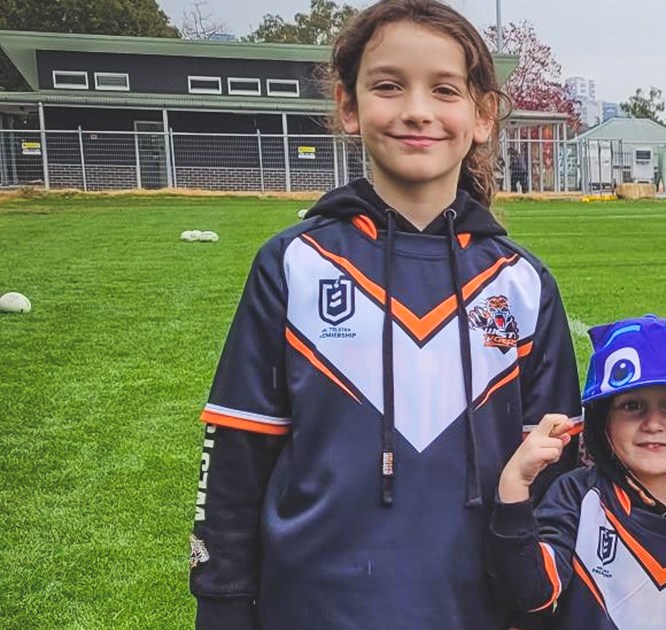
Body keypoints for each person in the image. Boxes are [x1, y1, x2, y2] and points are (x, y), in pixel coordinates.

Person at [188, 2, 583, 628]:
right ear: (349, 106)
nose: (417, 110)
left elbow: (560, 478)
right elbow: (237, 457)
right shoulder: (294, 264)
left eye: (444, 90)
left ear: (482, 116)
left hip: (477, 611)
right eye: (389, 86)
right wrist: (223, 604)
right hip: (313, 609)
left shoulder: (522, 284)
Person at [488, 316, 666, 629]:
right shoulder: (578, 498)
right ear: (603, 422)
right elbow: (528, 593)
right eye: (632, 406)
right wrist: (514, 485)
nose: (653, 424)